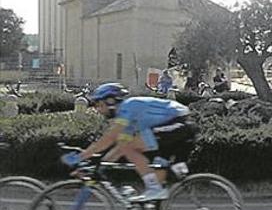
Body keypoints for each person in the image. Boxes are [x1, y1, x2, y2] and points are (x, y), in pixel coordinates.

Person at [59, 83, 195, 201]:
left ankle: (155, 190)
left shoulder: (128, 107)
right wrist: (95, 167)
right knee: (156, 184)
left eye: (99, 105)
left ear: (110, 102)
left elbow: (109, 138)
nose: (97, 109)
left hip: (179, 122)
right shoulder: (126, 118)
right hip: (174, 127)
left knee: (129, 147)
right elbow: (117, 149)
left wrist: (80, 157)